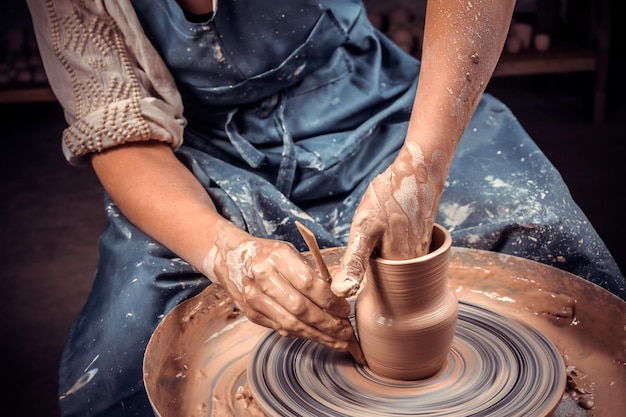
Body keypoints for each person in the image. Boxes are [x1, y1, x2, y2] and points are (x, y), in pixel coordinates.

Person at [26, 0, 624, 416]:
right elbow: (122, 136)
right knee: (127, 361)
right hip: (193, 157)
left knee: (552, 255)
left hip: (374, 108)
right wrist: (228, 252)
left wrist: (423, 163)